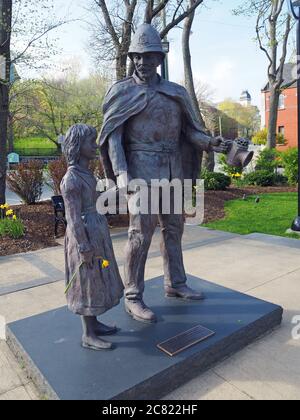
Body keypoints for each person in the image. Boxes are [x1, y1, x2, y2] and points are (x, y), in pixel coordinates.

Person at [99, 24, 228, 324]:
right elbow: (113, 137)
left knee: (174, 229)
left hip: (173, 170)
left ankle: (176, 282)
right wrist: (121, 174)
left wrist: (211, 142)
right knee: (139, 235)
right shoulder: (122, 92)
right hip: (140, 171)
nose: (143, 63)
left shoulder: (175, 93)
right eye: (138, 57)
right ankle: (133, 295)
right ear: (132, 57)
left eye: (150, 56)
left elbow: (190, 133)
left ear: (159, 58)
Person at [61, 124, 124, 350]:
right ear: (78, 147)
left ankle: (95, 323)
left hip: (97, 230)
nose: (95, 145)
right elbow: (73, 218)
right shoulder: (71, 180)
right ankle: (88, 334)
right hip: (84, 235)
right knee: (86, 282)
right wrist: (84, 246)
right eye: (90, 142)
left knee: (97, 280)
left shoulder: (88, 173)